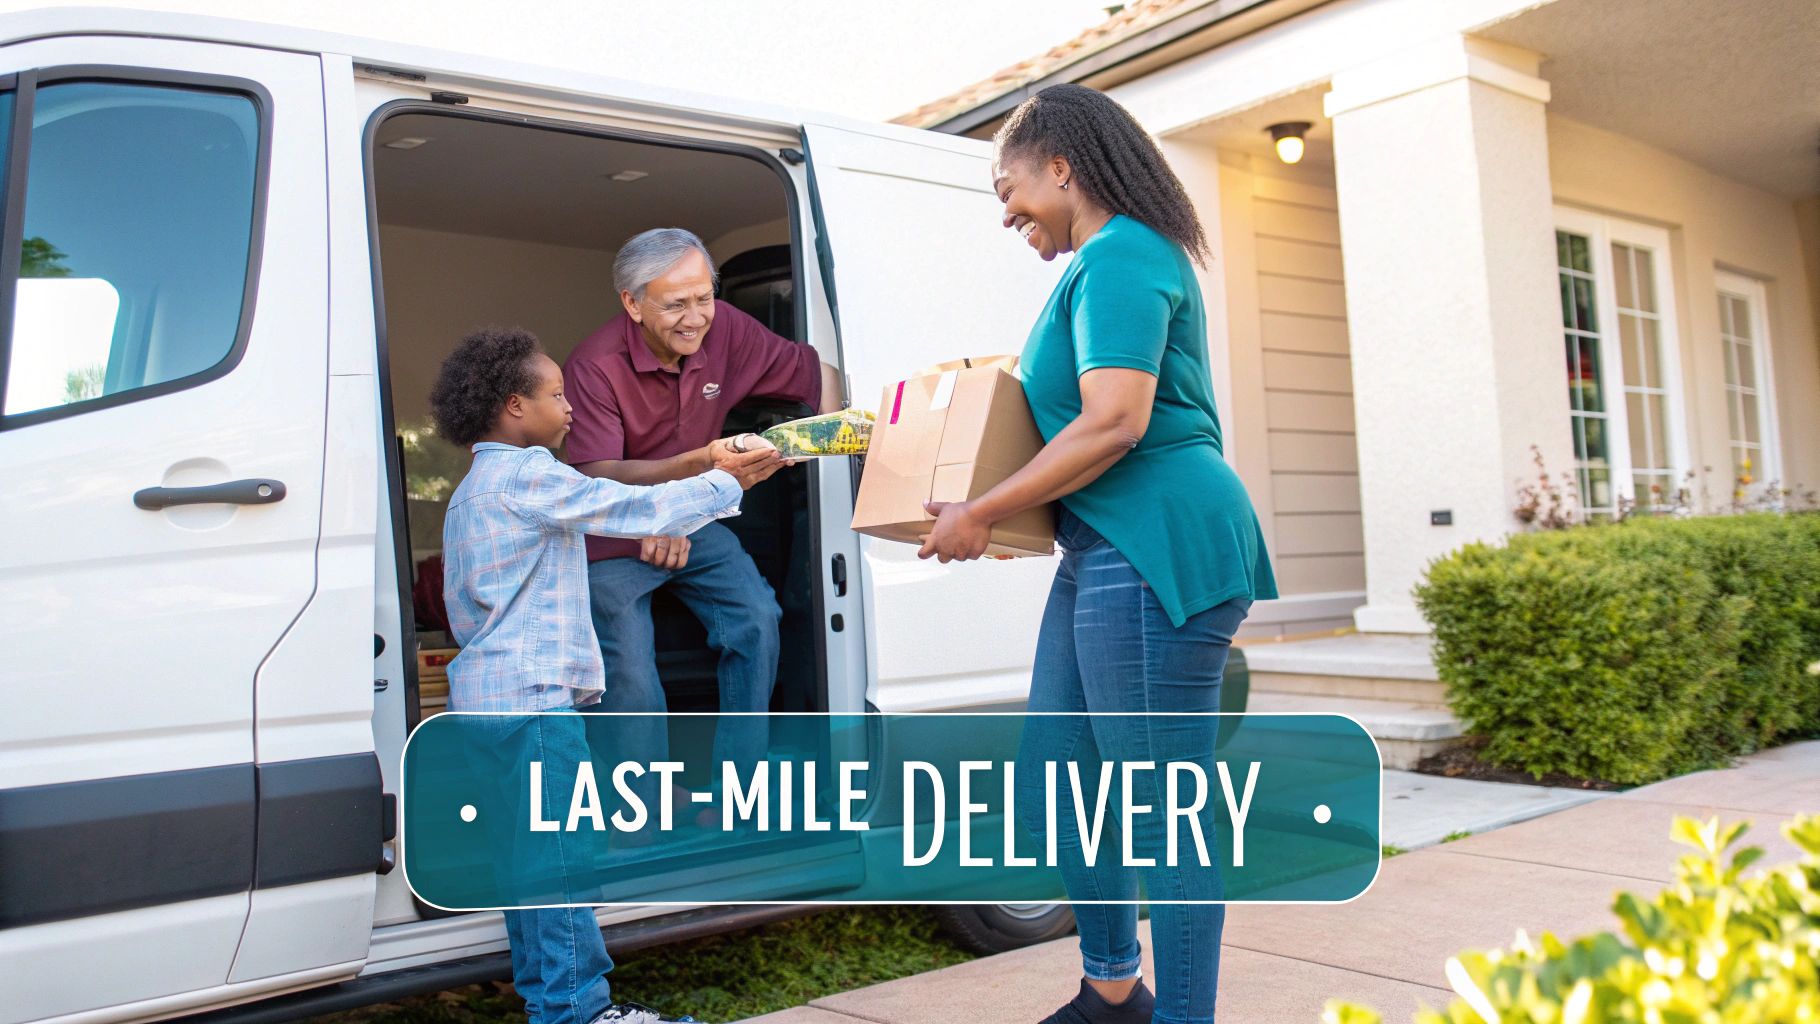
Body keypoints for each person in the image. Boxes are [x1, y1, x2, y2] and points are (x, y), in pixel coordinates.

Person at [918, 84, 1277, 1024]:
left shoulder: (1122, 257)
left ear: (1063, 167)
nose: (1006, 212)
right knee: (1068, 775)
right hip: (1104, 543)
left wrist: (981, 511)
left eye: (1010, 188)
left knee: (1161, 806)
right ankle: (1113, 989)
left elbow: (1115, 421)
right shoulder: (1097, 269)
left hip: (1157, 539)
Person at [430, 327, 776, 1024]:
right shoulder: (528, 476)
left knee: (525, 866)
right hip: (534, 705)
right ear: (512, 406)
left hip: (487, 702)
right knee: (561, 862)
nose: (569, 409)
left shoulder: (471, 491)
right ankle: (577, 1011)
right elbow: (634, 510)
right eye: (556, 395)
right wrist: (723, 480)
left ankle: (549, 1002)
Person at [564, 227, 841, 772]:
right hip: (612, 529)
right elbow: (595, 475)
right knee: (632, 674)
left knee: (758, 620)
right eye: (675, 305)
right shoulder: (593, 365)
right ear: (633, 303)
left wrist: (830, 460)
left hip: (693, 518)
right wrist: (675, 496)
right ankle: (639, 808)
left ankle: (739, 786)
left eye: (704, 298)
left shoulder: (727, 329)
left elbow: (818, 375)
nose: (695, 317)